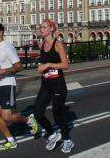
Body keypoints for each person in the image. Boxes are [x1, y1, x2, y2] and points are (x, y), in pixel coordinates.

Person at [0, 22, 38, 150]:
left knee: (7, 117)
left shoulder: (8, 47)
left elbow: (19, 66)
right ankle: (10, 140)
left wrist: (3, 71)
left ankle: (29, 121)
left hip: (7, 85)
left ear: (1, 33)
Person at [34, 19, 74, 154]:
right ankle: (52, 134)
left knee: (57, 114)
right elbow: (43, 61)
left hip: (58, 84)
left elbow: (65, 65)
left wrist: (49, 65)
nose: (42, 29)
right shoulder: (42, 44)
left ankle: (67, 139)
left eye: (44, 27)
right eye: (41, 27)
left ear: (51, 29)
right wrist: (41, 65)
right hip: (46, 84)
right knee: (37, 113)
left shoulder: (58, 45)